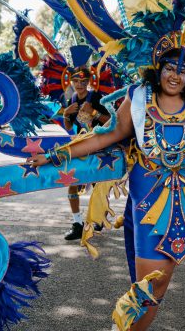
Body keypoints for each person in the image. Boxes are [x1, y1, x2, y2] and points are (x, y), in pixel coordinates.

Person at [29, 0, 185, 330]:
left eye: (183, 70)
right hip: (152, 206)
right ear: (158, 67)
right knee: (149, 293)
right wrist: (53, 155)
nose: (176, 75)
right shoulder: (138, 99)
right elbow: (104, 136)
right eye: (170, 67)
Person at [61, 65, 111, 241]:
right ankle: (77, 224)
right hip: (80, 146)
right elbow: (68, 126)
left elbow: (112, 122)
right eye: (76, 81)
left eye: (83, 81)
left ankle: (99, 218)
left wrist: (94, 112)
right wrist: (66, 114)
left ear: (89, 81)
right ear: (71, 81)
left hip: (100, 147)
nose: (79, 85)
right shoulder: (72, 99)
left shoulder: (97, 98)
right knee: (72, 182)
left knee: (99, 185)